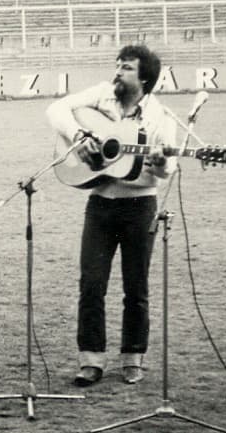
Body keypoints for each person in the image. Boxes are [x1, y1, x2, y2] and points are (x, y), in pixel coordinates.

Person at [46, 45, 176, 387]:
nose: (117, 72)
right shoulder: (102, 96)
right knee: (91, 284)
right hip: (100, 204)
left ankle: (133, 358)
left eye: (127, 68)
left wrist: (162, 163)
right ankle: (90, 360)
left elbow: (168, 169)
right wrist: (78, 135)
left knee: (136, 288)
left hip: (140, 207)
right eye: (117, 65)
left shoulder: (159, 116)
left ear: (144, 77)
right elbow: (56, 109)